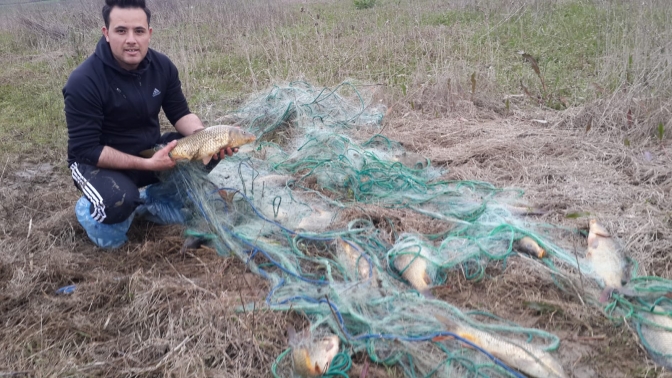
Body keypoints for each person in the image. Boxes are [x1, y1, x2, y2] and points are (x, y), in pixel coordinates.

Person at [63, 0, 235, 249]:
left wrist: (206, 138)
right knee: (118, 201)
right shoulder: (84, 81)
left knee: (209, 152)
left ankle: (153, 197)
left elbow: (181, 114)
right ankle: (91, 208)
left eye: (139, 31)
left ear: (149, 34)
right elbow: (86, 149)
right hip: (97, 163)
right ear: (106, 34)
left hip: (149, 151)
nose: (131, 39)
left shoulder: (162, 66)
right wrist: (147, 163)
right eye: (121, 31)